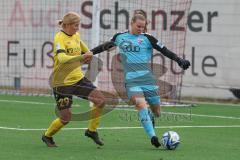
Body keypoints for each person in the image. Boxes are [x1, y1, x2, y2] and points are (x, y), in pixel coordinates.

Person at [90, 10, 190, 148]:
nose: (140, 29)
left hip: (148, 80)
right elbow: (105, 46)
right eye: (138, 26)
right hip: (131, 81)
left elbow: (164, 50)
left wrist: (179, 60)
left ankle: (151, 115)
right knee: (140, 105)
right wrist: (90, 52)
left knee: (157, 111)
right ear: (131, 23)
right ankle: (153, 136)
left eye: (143, 27)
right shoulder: (120, 37)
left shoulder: (148, 38)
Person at [42, 12, 105, 147]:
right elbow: (62, 58)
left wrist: (90, 55)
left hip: (78, 79)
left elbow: (86, 51)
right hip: (62, 82)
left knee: (101, 101)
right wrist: (81, 58)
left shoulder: (76, 35)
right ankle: (47, 136)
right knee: (66, 118)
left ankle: (91, 131)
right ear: (68, 25)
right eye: (76, 25)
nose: (78, 28)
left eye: (78, 25)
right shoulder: (59, 38)